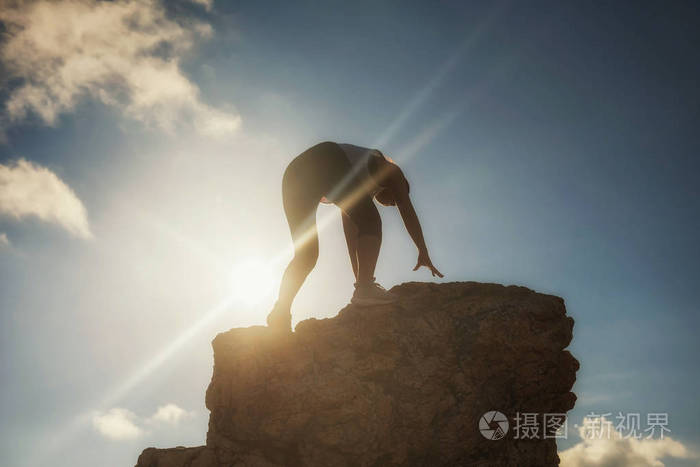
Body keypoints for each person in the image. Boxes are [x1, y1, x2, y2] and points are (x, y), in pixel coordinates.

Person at [267, 141, 443, 331]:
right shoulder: (392, 171)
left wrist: (359, 284)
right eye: (395, 200)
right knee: (372, 221)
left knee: (307, 255)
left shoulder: (356, 189)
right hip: (325, 158)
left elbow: (353, 238)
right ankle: (366, 288)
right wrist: (422, 249)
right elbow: (407, 211)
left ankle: (280, 312)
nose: (393, 204)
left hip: (295, 174)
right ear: (400, 189)